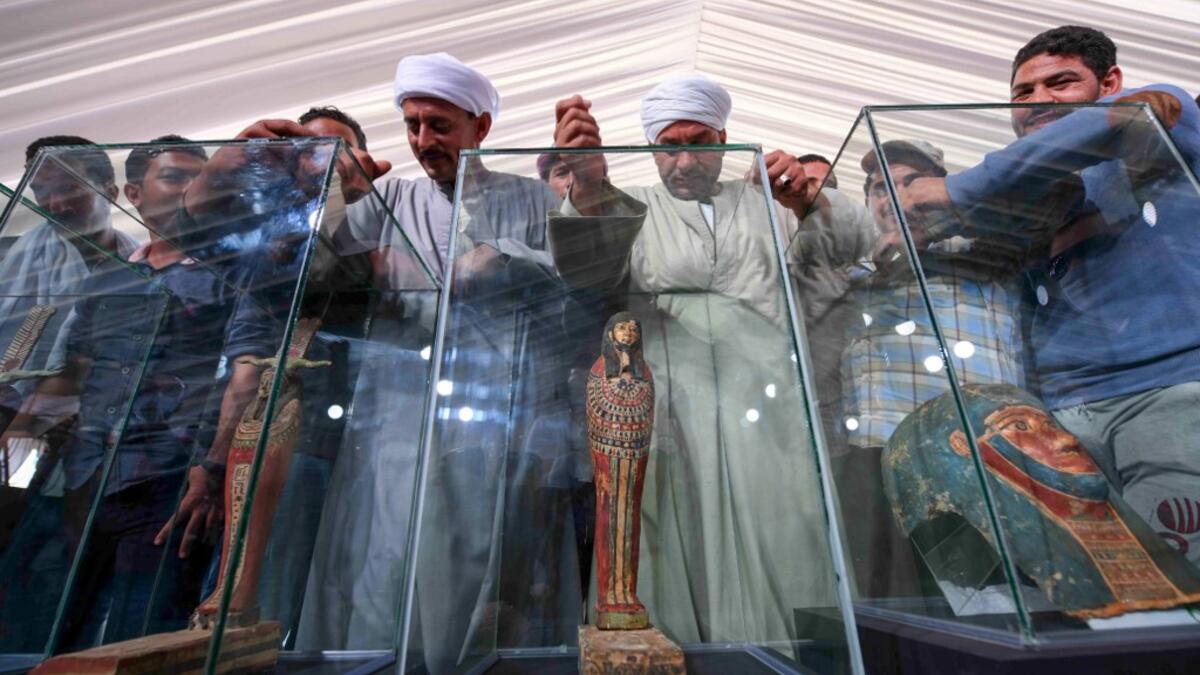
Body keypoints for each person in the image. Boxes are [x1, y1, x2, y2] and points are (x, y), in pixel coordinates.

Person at [550, 73, 861, 646]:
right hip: (673, 402)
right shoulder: (632, 206)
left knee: (788, 523)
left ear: (725, 138)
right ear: (650, 149)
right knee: (673, 529)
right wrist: (589, 190)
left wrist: (809, 202)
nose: (686, 160)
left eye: (701, 142)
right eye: (669, 146)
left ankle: (790, 653)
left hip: (768, 401)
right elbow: (582, 273)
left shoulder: (769, 201)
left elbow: (853, 246)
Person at [899, 25, 1200, 566]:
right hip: (1059, 412)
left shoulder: (1158, 118)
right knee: (1106, 588)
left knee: (1181, 570)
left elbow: (1133, 118)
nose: (1038, 102)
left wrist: (956, 189)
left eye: (1060, 83)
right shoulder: (1019, 194)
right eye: (1023, 93)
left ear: (1110, 82)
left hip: (1171, 389)